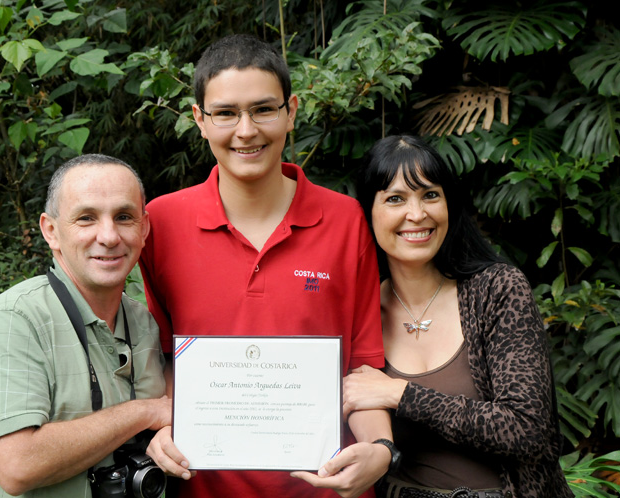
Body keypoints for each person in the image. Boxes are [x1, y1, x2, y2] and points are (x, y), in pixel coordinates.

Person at [139, 34, 394, 498]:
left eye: (263, 109)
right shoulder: (161, 223)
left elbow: (362, 370)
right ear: (199, 119)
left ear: (291, 111)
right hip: (201, 485)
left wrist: (380, 449)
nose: (246, 130)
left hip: (325, 488)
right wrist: (160, 427)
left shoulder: (344, 220)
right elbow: (159, 360)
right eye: (225, 113)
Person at [345, 135, 572, 498]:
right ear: (367, 213)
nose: (417, 214)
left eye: (430, 195)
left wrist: (401, 394)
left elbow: (526, 430)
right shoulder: (359, 309)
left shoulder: (497, 290)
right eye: (395, 199)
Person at [0, 154, 171, 497]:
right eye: (86, 218)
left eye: (124, 217)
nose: (109, 236)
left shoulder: (143, 322)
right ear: (51, 231)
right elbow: (18, 466)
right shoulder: (15, 320)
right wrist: (144, 411)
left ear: (144, 228)